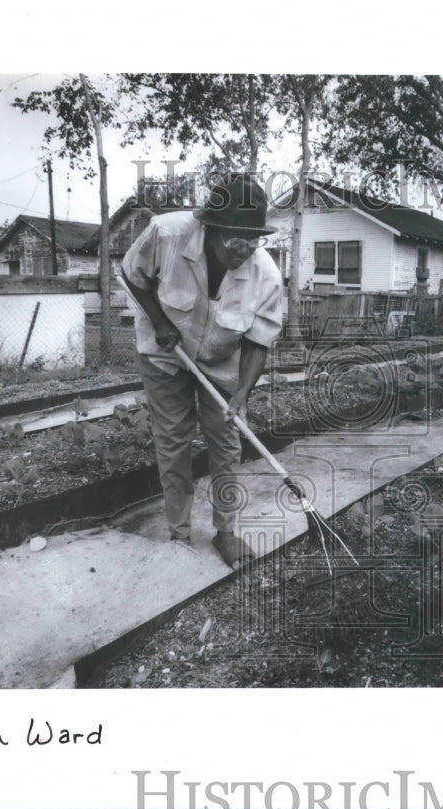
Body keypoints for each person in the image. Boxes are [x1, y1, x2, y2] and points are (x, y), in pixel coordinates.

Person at [121, 174, 284, 568]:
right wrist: (160, 321)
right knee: (173, 443)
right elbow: (132, 274)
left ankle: (226, 533)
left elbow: (259, 339)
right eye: (235, 240)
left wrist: (243, 391)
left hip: (224, 360)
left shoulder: (266, 276)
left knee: (227, 446)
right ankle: (179, 535)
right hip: (164, 355)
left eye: (254, 240)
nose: (244, 250)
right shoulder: (166, 234)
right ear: (211, 228)